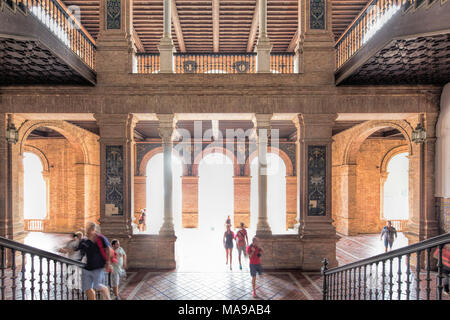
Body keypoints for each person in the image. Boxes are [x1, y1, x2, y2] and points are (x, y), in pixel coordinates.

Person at [76, 222, 112, 300]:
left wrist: (108, 262)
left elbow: (108, 249)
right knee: (87, 288)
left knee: (97, 286)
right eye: (87, 229)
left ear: (94, 230)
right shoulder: (84, 241)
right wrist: (65, 250)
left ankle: (107, 294)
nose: (87, 231)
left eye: (90, 229)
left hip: (98, 267)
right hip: (87, 268)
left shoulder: (101, 238)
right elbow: (76, 249)